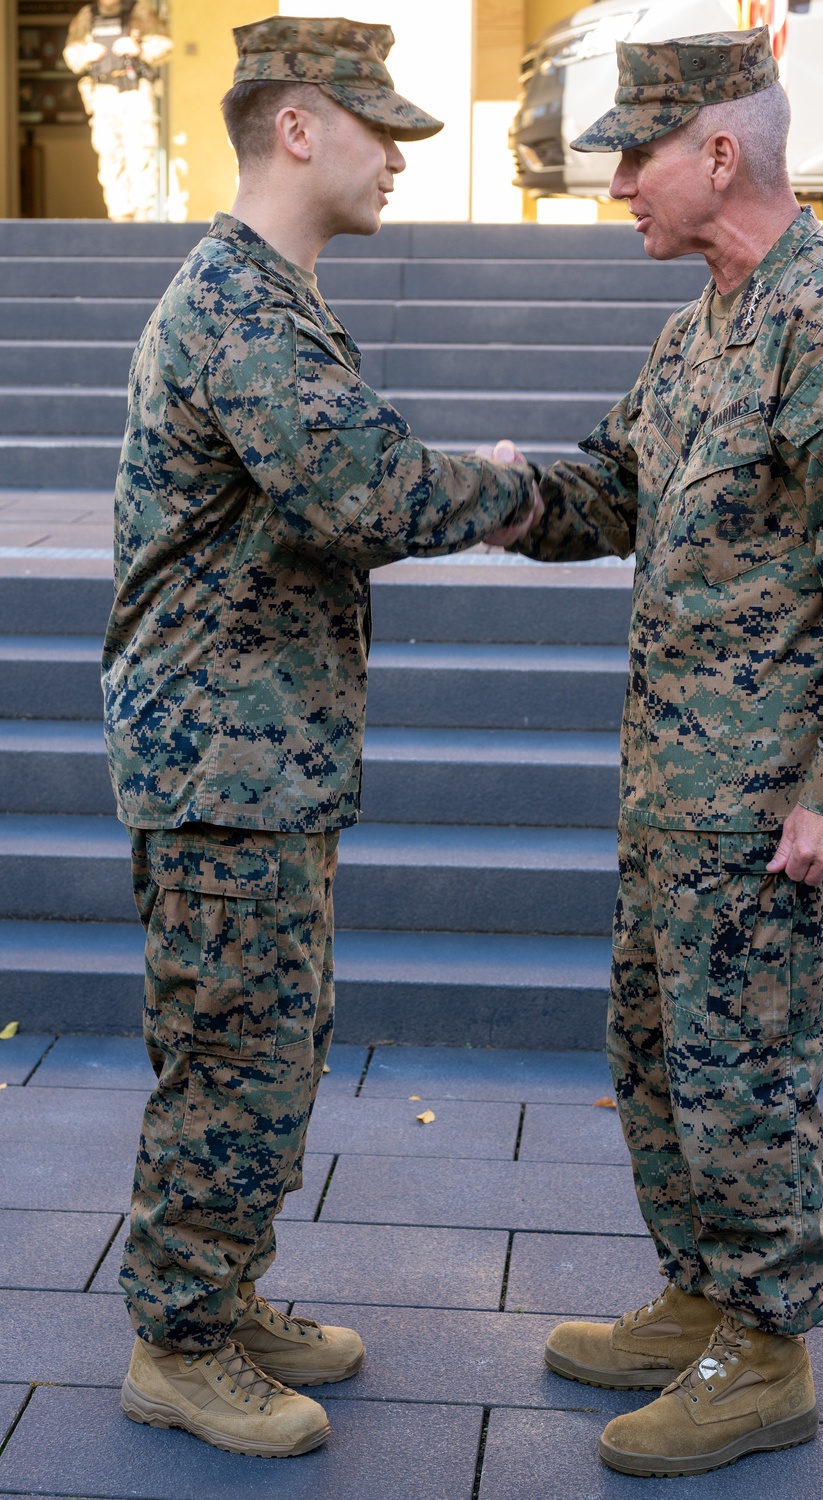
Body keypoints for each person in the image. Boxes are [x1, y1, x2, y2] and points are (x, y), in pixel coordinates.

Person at [495, 28, 823, 1479]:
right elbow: (619, 486)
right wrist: (487, 495)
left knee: (742, 1072)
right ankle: (700, 1294)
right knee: (656, 1056)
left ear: (716, 153)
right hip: (678, 786)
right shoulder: (705, 322)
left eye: (634, 156)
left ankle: (763, 1352)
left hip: (768, 802)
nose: (616, 184)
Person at [102, 15, 540, 1460]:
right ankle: (177, 1342)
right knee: (233, 1053)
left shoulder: (268, 297)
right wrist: (498, 481)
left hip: (257, 756)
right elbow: (359, 494)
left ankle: (220, 1294)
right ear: (298, 126)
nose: (402, 153)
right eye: (380, 127)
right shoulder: (237, 304)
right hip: (223, 760)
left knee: (270, 1045)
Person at [63, 0, 172, 222]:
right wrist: (86, 53)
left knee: (140, 153)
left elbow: (166, 45)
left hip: (134, 91)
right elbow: (71, 56)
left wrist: (139, 48)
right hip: (103, 92)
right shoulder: (88, 15)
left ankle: (143, 219)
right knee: (110, 154)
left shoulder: (139, 10)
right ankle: (120, 218)